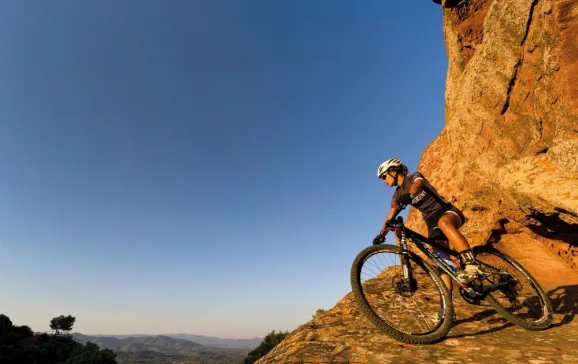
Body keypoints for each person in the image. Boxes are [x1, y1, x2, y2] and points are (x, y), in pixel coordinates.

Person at [373, 158, 484, 295]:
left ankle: (470, 264)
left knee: (444, 223)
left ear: (394, 171)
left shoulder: (414, 176)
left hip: (447, 211)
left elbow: (418, 184)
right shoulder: (397, 195)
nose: (384, 181)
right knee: (440, 260)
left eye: (384, 176)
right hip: (431, 221)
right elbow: (390, 215)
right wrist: (381, 234)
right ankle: (447, 306)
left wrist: (410, 194)